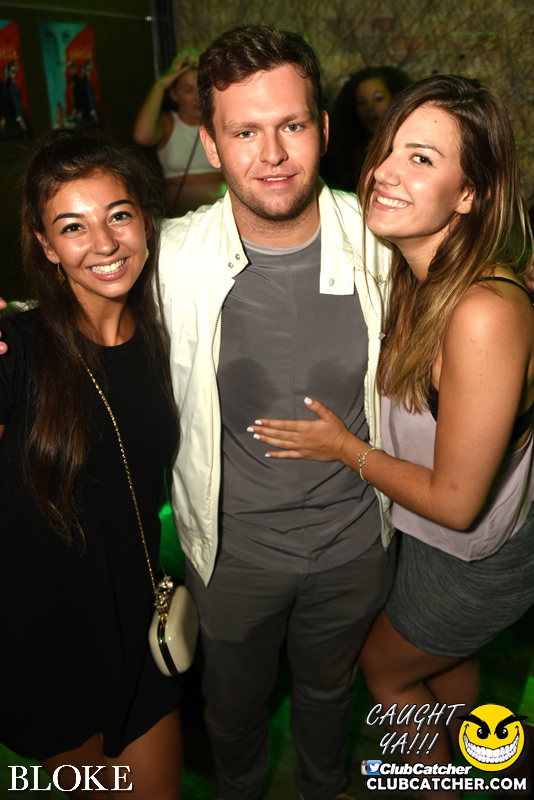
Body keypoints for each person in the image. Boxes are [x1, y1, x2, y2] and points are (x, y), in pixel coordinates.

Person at [248, 75, 534, 799]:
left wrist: (344, 448)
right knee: (442, 663)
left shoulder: (481, 310)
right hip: (434, 541)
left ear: (470, 195)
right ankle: (473, 771)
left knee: (385, 669)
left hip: (478, 554)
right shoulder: (415, 274)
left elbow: (457, 502)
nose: (386, 172)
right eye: (389, 149)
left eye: (423, 159)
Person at [154, 25, 394, 800]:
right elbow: (80, 322)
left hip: (355, 547)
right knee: (232, 714)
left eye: (291, 125)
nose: (274, 154)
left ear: (321, 126)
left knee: (329, 698)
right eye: (245, 132)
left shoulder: (383, 242)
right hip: (233, 557)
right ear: (211, 143)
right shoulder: (170, 258)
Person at [0, 131, 182, 798]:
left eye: (119, 215)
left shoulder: (164, 337)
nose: (104, 243)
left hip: (138, 622)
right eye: (72, 226)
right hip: (43, 644)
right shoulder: (17, 350)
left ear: (145, 221)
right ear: (46, 246)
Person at [133, 52, 225, 216]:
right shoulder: (168, 123)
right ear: (174, 95)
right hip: (180, 217)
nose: (197, 97)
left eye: (201, 89)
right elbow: (142, 136)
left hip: (223, 214)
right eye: (188, 90)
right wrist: (161, 84)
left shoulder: (222, 121)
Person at [322, 65, 412, 192]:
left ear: (396, 100)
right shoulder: (346, 155)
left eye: (378, 98)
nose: (370, 106)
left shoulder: (411, 145)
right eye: (361, 102)